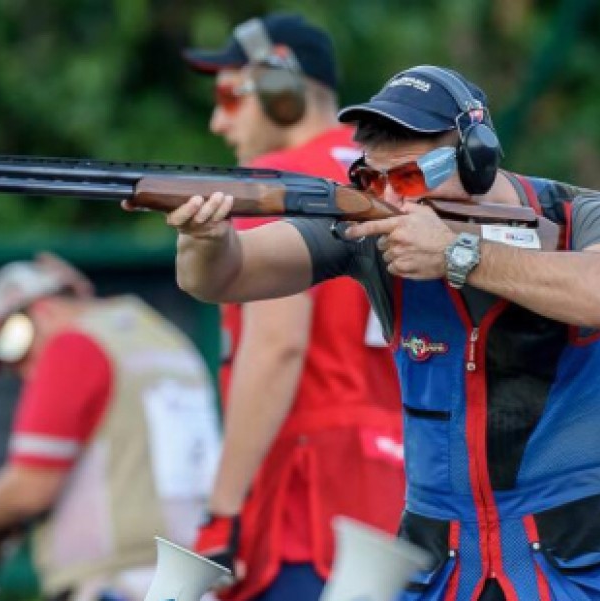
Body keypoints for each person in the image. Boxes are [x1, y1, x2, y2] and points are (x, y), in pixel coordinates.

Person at [164, 65, 600, 601]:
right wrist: (205, 238)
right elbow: (224, 276)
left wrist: (458, 255)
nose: (391, 200)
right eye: (371, 179)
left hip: (584, 562)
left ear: (476, 159)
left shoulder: (581, 215)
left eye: (409, 178)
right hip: (445, 569)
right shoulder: (369, 231)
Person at [179, 12, 406, 601]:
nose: (218, 120)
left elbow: (277, 346)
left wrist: (223, 509)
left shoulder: (278, 182)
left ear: (283, 95)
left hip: (305, 506)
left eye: (231, 95)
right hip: (399, 497)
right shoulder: (388, 180)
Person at [0, 252, 221, 601]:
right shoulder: (164, 339)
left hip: (117, 585)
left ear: (43, 310)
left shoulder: (73, 346)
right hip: (189, 583)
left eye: (12, 343)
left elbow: (28, 490)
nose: (20, 369)